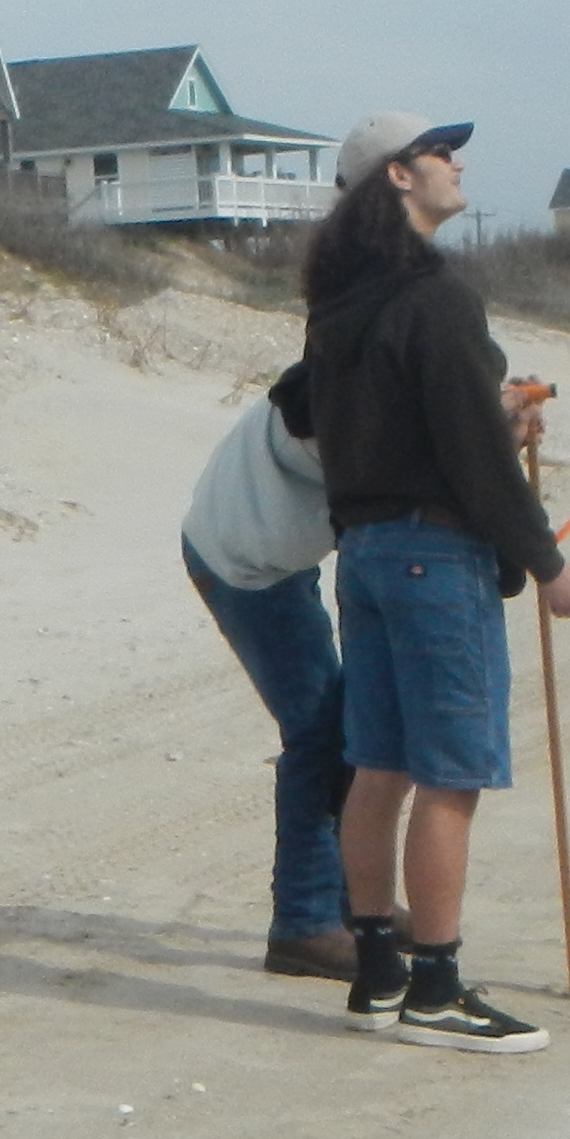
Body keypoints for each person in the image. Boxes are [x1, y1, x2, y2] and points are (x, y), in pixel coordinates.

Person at [301, 111, 570, 1050]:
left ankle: (377, 968)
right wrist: (550, 564)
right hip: (433, 558)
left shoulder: (339, 301)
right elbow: (472, 459)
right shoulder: (434, 298)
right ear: (398, 177)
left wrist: (490, 413)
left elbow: (380, 431)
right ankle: (434, 985)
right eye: (439, 153)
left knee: (381, 765)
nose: (456, 162)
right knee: (449, 775)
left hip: (367, 554)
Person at [179, 364, 355, 978]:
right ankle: (305, 924)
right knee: (320, 735)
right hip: (241, 562)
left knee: (343, 726)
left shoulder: (341, 365)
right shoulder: (354, 405)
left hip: (258, 544)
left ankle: (350, 901)